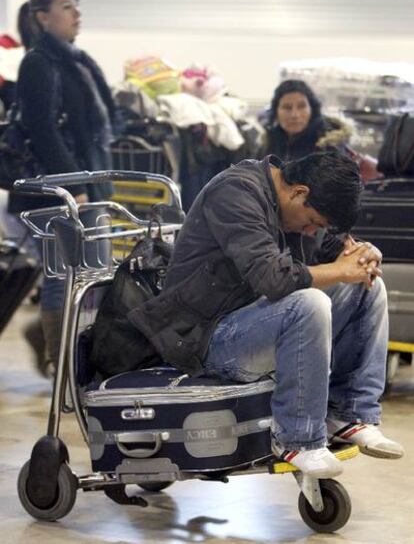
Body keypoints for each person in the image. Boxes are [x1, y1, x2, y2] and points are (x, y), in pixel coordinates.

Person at [128, 150, 404, 479]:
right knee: (307, 304)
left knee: (368, 287)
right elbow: (272, 279)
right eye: (313, 222)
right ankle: (297, 439)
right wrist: (339, 271)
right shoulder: (234, 193)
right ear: (299, 192)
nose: (310, 231)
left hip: (251, 320)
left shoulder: (296, 202)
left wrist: (360, 256)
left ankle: (348, 414)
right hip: (204, 337)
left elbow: (330, 248)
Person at [8, 0, 116, 376]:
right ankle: (62, 366)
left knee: (96, 275)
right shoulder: (38, 62)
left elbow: (96, 122)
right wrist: (75, 185)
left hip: (89, 186)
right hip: (60, 192)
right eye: (67, 5)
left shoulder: (77, 61)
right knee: (63, 278)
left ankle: (78, 355)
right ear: (43, 16)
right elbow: (44, 129)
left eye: (76, 5)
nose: (76, 12)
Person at [265, 79, 354, 161]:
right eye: (287, 107)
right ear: (276, 111)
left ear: (312, 109)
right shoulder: (269, 142)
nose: (295, 115)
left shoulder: (329, 146)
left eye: (301, 106)